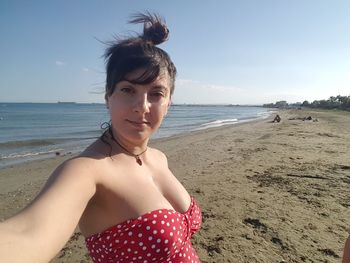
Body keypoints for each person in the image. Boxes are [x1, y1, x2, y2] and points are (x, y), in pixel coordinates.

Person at [0, 12, 202, 263]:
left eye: (156, 93)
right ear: (108, 97)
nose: (142, 106)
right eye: (128, 90)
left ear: (169, 102)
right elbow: (26, 235)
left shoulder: (159, 158)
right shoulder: (88, 171)